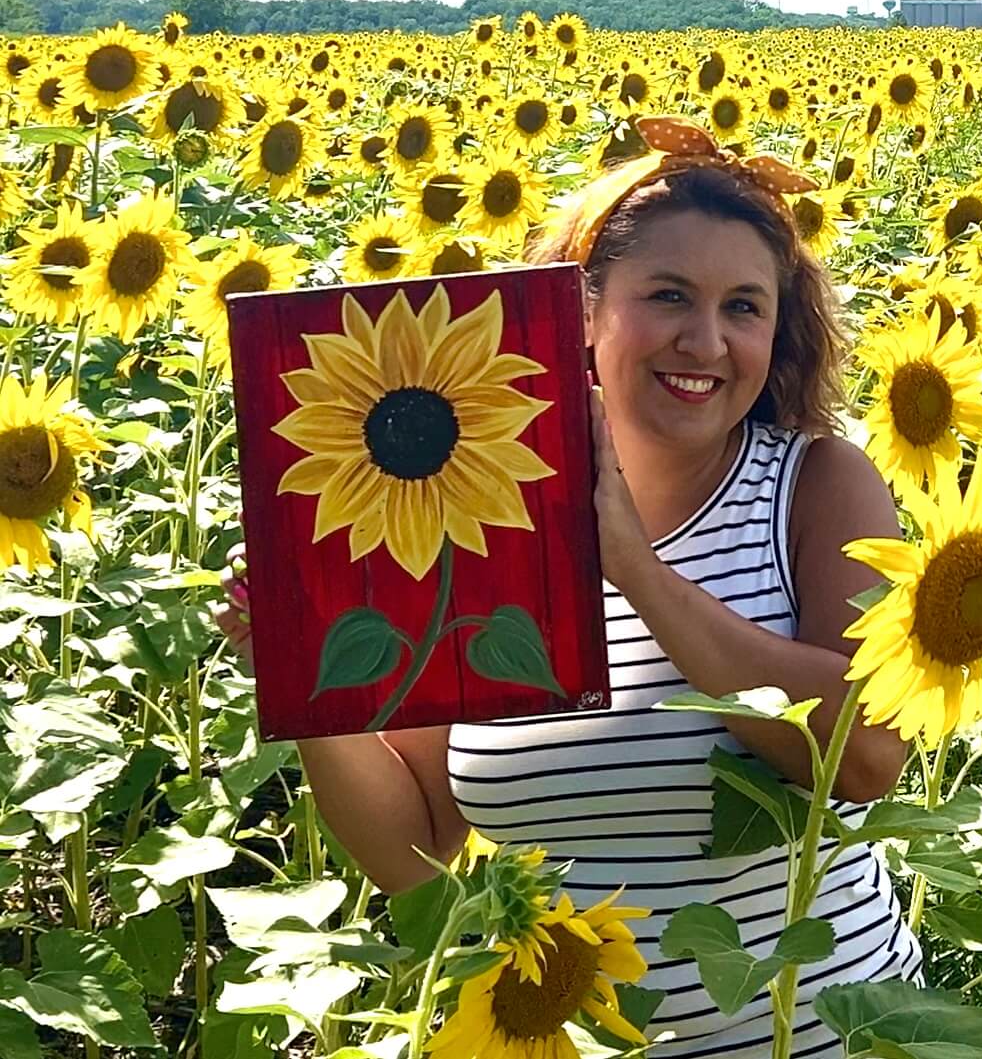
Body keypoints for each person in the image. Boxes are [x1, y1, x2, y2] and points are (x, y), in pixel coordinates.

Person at [215, 118, 924, 1057]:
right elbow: (414, 855)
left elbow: (868, 754)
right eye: (669, 295)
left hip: (818, 1036)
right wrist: (303, 682)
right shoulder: (468, 514)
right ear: (582, 313)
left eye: (745, 307)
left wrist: (634, 565)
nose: (706, 340)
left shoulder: (816, 484)